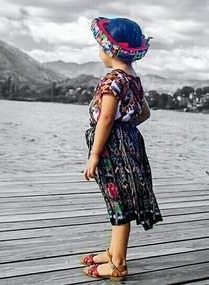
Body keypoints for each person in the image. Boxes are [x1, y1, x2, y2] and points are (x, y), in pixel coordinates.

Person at [80, 17, 163, 281]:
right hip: (129, 143)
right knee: (118, 201)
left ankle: (118, 263)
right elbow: (145, 113)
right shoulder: (133, 78)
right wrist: (126, 127)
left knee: (118, 203)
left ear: (108, 50)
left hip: (112, 149)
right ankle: (113, 251)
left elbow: (105, 118)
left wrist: (94, 154)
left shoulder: (112, 80)